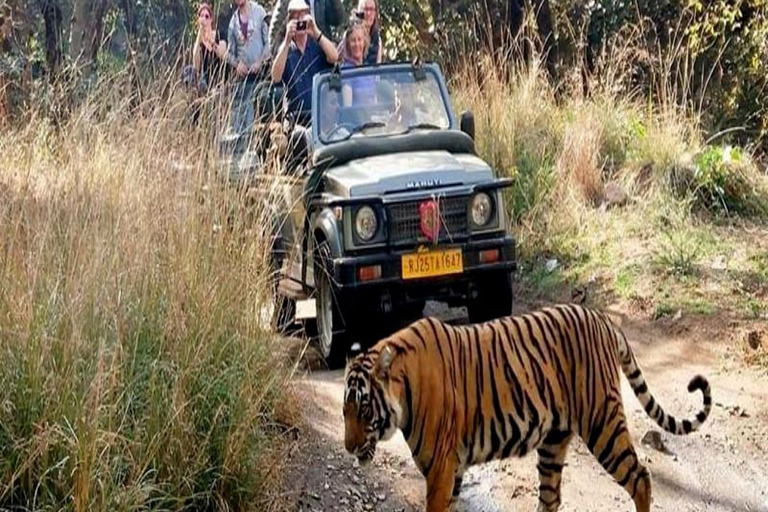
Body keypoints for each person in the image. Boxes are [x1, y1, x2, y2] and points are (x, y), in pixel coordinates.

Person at [270, 0, 339, 125]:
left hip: (320, 120)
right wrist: (286, 41)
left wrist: (316, 32)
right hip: (296, 121)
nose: (300, 21)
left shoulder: (317, 46)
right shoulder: (286, 51)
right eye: (295, 17)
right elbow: (275, 77)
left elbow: (334, 57)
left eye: (303, 16)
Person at [224, 0, 270, 136]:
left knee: (263, 118)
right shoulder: (233, 22)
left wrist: (260, 61)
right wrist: (237, 64)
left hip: (262, 76)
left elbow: (269, 42)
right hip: (243, 81)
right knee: (244, 121)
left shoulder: (260, 12)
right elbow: (230, 53)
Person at [267, 0, 344, 56]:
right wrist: (285, 62)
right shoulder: (286, 2)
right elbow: (274, 37)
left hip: (323, 57)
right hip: (297, 62)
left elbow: (338, 20)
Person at [193, 2, 228, 96]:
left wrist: (210, 40)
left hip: (220, 81)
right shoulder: (199, 43)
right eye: (201, 16)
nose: (204, 19)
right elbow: (196, 66)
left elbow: (222, 53)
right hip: (205, 82)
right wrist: (199, 37)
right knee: (189, 71)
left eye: (206, 16)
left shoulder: (220, 35)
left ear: (211, 19)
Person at [340, 20, 376, 106]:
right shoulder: (346, 71)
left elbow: (374, 101)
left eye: (359, 39)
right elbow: (347, 107)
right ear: (348, 44)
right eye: (353, 40)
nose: (357, 44)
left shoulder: (367, 69)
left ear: (365, 42)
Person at [355, 0, 382, 64]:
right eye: (366, 9)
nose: (368, 13)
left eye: (372, 9)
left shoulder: (378, 40)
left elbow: (378, 67)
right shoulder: (350, 36)